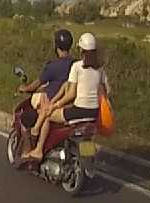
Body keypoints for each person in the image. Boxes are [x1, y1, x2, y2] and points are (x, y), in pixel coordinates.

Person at [25, 32, 108, 161]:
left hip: (78, 111)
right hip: (94, 113)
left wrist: (54, 106)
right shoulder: (100, 69)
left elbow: (70, 94)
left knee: (47, 116)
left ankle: (38, 150)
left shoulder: (77, 67)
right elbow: (105, 91)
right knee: (87, 138)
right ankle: (88, 158)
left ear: (81, 50)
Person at [19, 29, 75, 122]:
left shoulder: (53, 66)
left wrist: (25, 88)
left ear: (56, 46)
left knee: (35, 101)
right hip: (68, 102)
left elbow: (37, 83)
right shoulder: (76, 64)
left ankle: (33, 128)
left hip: (52, 100)